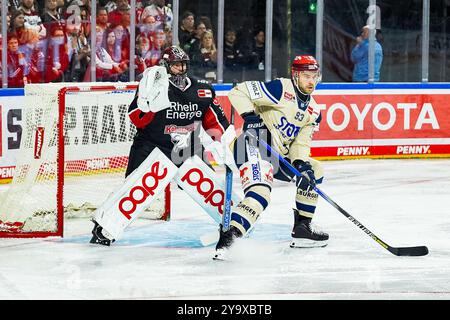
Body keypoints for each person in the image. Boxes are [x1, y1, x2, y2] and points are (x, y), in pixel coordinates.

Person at [90, 45, 230, 245]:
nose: (181, 69)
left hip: (186, 149)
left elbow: (217, 123)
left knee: (210, 187)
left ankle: (234, 222)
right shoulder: (153, 86)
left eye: (183, 65)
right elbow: (135, 118)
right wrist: (147, 104)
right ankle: (104, 227)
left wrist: (217, 140)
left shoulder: (203, 90)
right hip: (151, 146)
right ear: (166, 66)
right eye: (175, 65)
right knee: (133, 189)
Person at [213, 55, 329, 260]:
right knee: (260, 192)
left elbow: (300, 143)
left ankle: (302, 227)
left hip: (277, 156)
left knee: (314, 170)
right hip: (253, 145)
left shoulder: (314, 111)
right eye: (306, 76)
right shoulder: (280, 89)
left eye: (314, 76)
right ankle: (229, 239)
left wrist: (301, 164)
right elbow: (238, 91)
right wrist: (250, 115)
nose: (311, 81)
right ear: (295, 75)